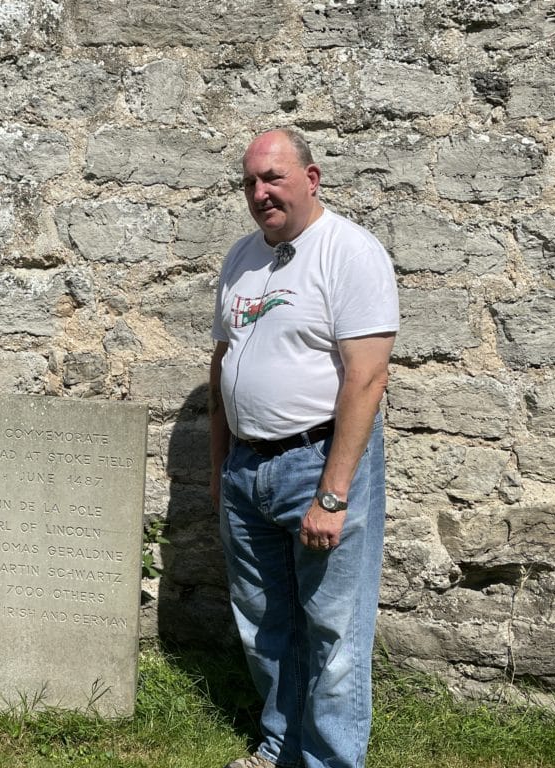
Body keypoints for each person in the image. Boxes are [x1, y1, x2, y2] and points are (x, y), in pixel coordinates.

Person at [209, 129, 398, 768]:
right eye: (251, 183)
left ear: (311, 179)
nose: (261, 193)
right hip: (248, 468)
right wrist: (220, 471)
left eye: (274, 178)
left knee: (335, 631)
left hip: (317, 462)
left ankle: (330, 760)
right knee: (264, 624)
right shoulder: (241, 258)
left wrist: (333, 492)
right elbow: (222, 366)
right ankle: (279, 747)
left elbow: (367, 377)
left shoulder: (350, 252)